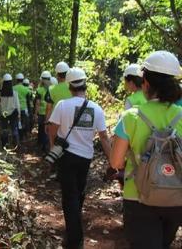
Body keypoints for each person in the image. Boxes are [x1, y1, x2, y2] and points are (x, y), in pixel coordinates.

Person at [110, 51, 182, 249]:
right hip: (176, 196)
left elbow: (116, 162)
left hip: (138, 196)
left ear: (146, 84)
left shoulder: (131, 117)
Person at [47, 67, 111, 249]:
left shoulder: (62, 105)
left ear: (69, 86)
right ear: (85, 85)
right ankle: (73, 230)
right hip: (85, 158)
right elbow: (104, 137)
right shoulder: (96, 108)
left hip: (66, 156)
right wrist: (113, 160)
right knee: (78, 192)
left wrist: (53, 146)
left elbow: (52, 127)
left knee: (70, 196)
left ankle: (75, 239)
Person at [0, 73, 21, 148]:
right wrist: (19, 114)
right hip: (13, 113)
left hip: (3, 113)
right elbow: (17, 104)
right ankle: (16, 145)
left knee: (4, 129)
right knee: (14, 128)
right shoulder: (14, 93)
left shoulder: (1, 93)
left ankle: (4, 145)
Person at [35, 71, 52, 153]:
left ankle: (41, 143)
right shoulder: (53, 89)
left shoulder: (39, 90)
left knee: (41, 128)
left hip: (42, 112)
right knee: (47, 130)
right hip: (50, 113)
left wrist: (35, 113)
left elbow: (37, 103)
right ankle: (46, 146)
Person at [13, 73, 30, 141]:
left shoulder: (13, 88)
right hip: (24, 108)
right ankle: (22, 137)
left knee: (16, 123)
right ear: (22, 80)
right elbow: (28, 101)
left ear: (16, 80)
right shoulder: (26, 89)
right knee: (23, 123)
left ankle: (17, 138)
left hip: (15, 109)